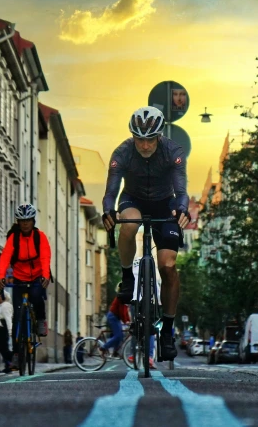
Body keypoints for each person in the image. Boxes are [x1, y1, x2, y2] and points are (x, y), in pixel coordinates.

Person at [102, 106, 191, 361]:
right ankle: (128, 276)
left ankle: (167, 330)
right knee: (127, 224)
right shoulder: (121, 153)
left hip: (166, 203)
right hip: (133, 199)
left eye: (149, 138)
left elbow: (181, 190)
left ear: (159, 135)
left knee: (168, 265)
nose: (143, 144)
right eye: (138, 138)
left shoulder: (173, 151)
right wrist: (108, 211)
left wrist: (182, 209)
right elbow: (111, 192)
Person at [0, 204, 51, 342]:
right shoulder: (14, 238)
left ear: (33, 221)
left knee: (36, 296)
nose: (25, 224)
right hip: (19, 277)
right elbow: (5, 258)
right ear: (18, 222)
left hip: (37, 276)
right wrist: (1, 276)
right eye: (22, 221)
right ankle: (16, 353)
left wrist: (45, 275)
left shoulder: (40, 237)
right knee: (17, 316)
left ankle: (40, 320)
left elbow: (45, 257)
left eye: (28, 220)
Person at [101, 284, 131, 358]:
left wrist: (128, 321)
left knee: (121, 335)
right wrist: (126, 322)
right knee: (118, 335)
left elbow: (125, 312)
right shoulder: (121, 297)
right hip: (113, 317)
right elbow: (122, 312)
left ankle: (115, 352)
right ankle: (104, 347)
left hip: (115, 318)